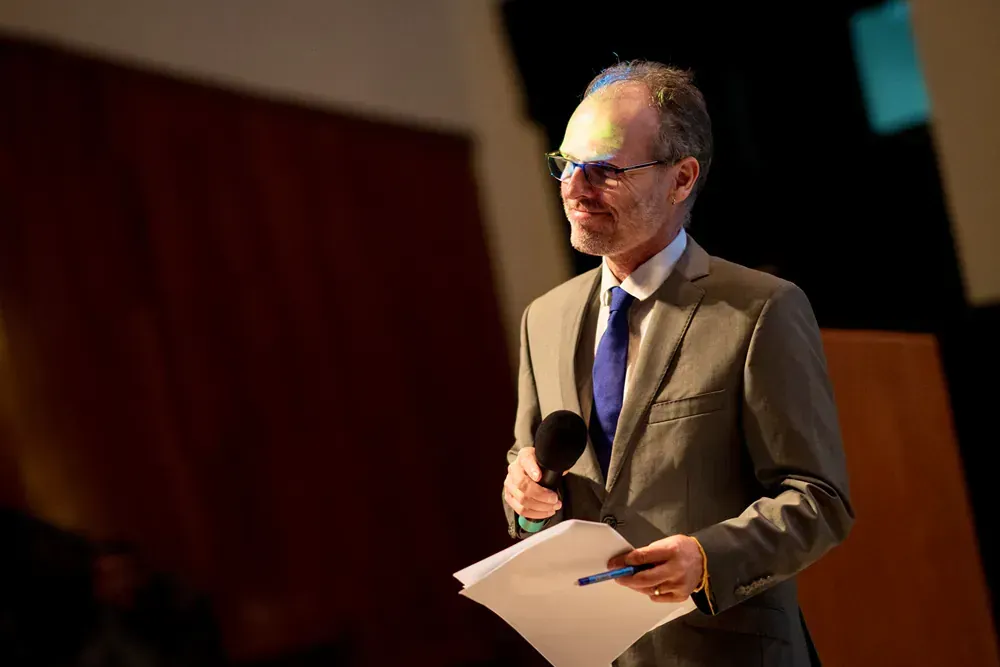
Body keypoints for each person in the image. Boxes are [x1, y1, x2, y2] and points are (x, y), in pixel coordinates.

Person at [502, 61, 853, 667]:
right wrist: (523, 498)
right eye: (566, 164)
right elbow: (533, 469)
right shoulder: (544, 318)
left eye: (606, 170)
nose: (576, 188)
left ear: (681, 178)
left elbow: (819, 500)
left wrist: (707, 557)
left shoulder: (760, 310)